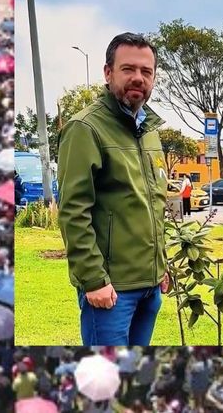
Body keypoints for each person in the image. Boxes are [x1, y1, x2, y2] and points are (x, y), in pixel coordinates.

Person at [57, 32, 171, 346]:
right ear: (108, 73)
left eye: (146, 72)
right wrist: (93, 280)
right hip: (110, 293)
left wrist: (160, 266)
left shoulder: (149, 132)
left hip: (149, 288)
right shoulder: (85, 129)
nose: (138, 78)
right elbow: (72, 212)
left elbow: (153, 204)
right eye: (128, 69)